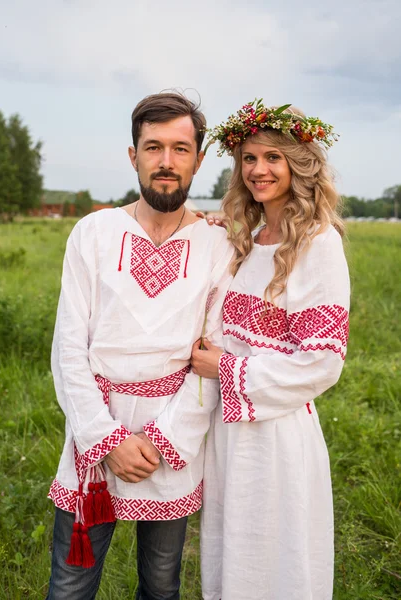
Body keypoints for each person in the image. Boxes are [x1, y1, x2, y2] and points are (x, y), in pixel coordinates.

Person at [46, 91, 234, 600]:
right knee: (70, 583)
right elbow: (68, 349)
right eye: (153, 147)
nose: (166, 162)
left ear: (198, 158)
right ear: (134, 156)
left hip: (170, 440)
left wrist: (157, 441)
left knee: (161, 582)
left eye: (180, 148)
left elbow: (211, 358)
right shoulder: (94, 232)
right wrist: (105, 440)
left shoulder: (220, 244)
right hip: (95, 432)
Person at [191, 99, 350, 600]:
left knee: (274, 561)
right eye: (249, 159)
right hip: (228, 432)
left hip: (276, 434)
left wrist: (227, 368)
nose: (258, 170)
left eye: (272, 158)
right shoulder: (251, 240)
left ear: (298, 164)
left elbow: (321, 363)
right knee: (233, 554)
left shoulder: (318, 244)